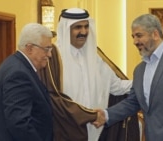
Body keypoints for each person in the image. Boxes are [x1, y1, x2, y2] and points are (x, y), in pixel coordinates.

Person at [93, 13, 163, 141]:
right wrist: (106, 115)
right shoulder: (139, 70)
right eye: (133, 37)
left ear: (155, 34)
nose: (135, 41)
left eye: (139, 36)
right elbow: (133, 102)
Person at [55, 8, 139, 141]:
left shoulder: (95, 58)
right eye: (77, 27)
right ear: (66, 30)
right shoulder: (54, 58)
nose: (83, 32)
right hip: (64, 132)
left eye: (86, 27)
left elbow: (117, 86)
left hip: (94, 132)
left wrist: (146, 81)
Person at [0, 23, 54, 141]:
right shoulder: (18, 74)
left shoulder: (14, 65)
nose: (49, 55)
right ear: (30, 48)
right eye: (46, 49)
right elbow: (19, 124)